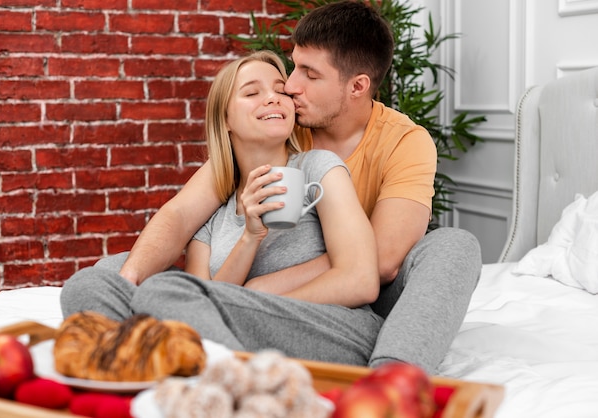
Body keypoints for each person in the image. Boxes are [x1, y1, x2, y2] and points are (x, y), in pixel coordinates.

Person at [71, 0, 481, 374]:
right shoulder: (278, 132)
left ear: (357, 86)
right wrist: (130, 279)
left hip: (368, 299)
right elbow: (180, 214)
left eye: (310, 73)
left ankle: (394, 375)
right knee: (108, 277)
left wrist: (254, 293)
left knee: (452, 245)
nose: (290, 86)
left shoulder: (402, 142)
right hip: (260, 303)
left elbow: (379, 261)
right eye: (294, 66)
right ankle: (153, 354)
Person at [61, 51, 384, 366]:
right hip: (244, 335)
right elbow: (207, 296)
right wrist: (250, 237)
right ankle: (137, 368)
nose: (273, 98)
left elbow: (362, 281)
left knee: (165, 291)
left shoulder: (318, 168)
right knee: (90, 281)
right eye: (252, 92)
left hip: (332, 328)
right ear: (225, 120)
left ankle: (224, 379)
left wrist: (256, 299)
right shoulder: (214, 211)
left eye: (280, 90)